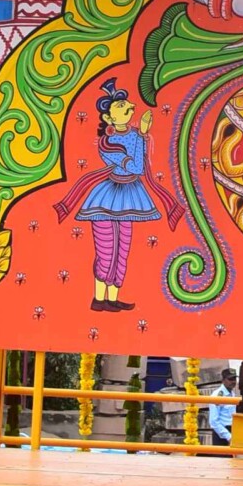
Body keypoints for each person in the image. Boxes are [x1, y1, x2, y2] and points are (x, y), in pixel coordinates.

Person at [56, 79, 185, 312]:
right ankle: (99, 299)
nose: (130, 108)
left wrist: (142, 135)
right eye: (121, 106)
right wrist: (141, 136)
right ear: (109, 118)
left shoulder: (135, 135)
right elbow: (135, 167)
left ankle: (113, 298)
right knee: (107, 252)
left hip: (130, 195)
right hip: (107, 199)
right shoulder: (107, 143)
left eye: (128, 105)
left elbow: (139, 166)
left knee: (122, 252)